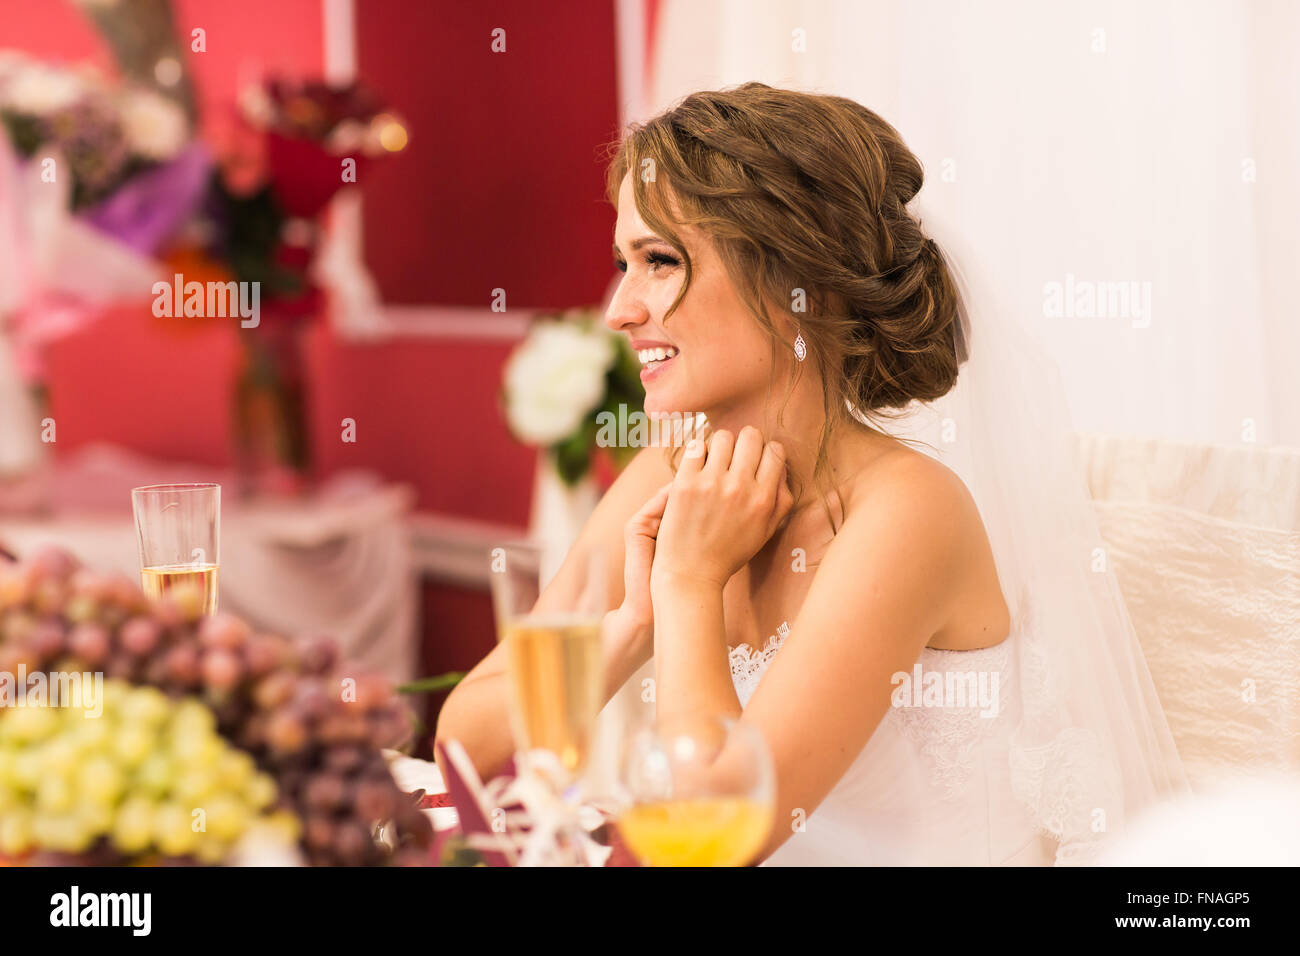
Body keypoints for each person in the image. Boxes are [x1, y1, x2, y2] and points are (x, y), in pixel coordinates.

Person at [435, 82, 1187, 865]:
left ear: (799, 287)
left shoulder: (908, 511)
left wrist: (687, 585)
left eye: (660, 262)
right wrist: (629, 628)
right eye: (623, 262)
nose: (620, 309)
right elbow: (465, 744)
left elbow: (710, 839)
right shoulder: (670, 470)